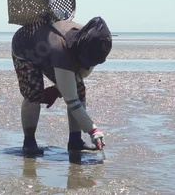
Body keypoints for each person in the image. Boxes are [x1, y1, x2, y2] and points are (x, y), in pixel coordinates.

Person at [11, 16, 112, 155]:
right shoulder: (62, 49)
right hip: (25, 46)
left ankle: (75, 141)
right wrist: (93, 131)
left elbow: (82, 74)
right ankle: (29, 142)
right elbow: (72, 100)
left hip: (50, 48)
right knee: (34, 92)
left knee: (79, 89)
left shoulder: (96, 43)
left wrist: (58, 88)